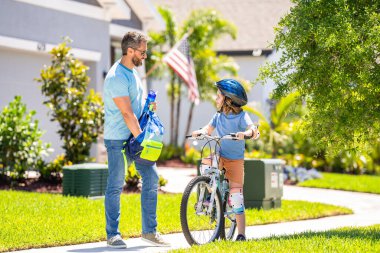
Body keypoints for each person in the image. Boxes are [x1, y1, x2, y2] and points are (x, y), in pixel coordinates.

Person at [103, 31, 170, 248]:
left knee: (151, 179)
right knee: (115, 185)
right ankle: (113, 234)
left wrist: (149, 108)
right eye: (142, 52)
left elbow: (136, 109)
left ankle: (149, 232)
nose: (145, 56)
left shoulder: (133, 74)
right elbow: (126, 114)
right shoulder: (117, 77)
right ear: (129, 50)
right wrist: (143, 139)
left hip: (135, 136)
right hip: (118, 139)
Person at [192, 79, 259, 241]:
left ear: (228, 100)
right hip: (220, 155)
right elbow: (208, 129)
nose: (216, 99)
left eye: (218, 96)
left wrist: (247, 133)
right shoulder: (218, 116)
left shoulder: (242, 116)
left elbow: (253, 130)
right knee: (206, 162)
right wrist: (200, 131)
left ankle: (241, 234)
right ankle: (209, 195)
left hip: (235, 161)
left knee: (236, 197)